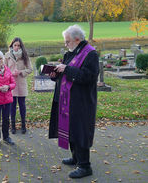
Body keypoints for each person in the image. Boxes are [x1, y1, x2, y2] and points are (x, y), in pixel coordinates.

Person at [48, 25, 99, 179]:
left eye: (67, 41)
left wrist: (67, 70)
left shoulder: (90, 54)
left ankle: (85, 166)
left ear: (77, 40)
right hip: (66, 100)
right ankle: (76, 158)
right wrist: (54, 74)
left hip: (81, 102)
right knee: (70, 131)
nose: (66, 44)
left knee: (80, 132)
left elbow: (89, 77)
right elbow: (64, 72)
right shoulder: (70, 52)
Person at [4, 37, 33, 134]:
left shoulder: (25, 55)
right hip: (11, 84)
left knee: (22, 105)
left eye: (18, 45)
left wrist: (20, 72)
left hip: (21, 83)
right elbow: (4, 70)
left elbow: (30, 69)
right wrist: (11, 73)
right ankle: (13, 126)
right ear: (12, 45)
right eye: (15, 45)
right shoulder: (7, 56)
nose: (16, 47)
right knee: (12, 106)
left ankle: (23, 125)